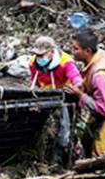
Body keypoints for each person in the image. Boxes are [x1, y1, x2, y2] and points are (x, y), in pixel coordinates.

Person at [29, 35, 82, 164]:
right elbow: (33, 83)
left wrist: (78, 86)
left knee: (66, 129)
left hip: (66, 96)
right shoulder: (33, 63)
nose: (39, 58)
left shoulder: (65, 62)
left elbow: (76, 78)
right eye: (38, 55)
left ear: (52, 52)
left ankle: (65, 156)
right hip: (46, 95)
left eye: (43, 55)